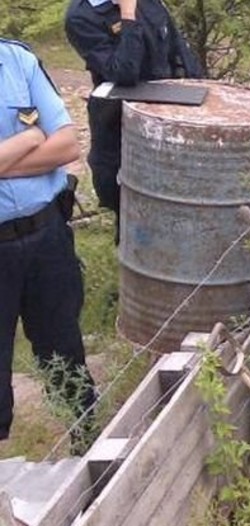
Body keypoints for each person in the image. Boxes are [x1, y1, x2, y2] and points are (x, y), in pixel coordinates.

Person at [0, 38, 97, 454]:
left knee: (64, 354)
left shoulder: (18, 60)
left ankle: (90, 454)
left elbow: (67, 145)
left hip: (46, 238)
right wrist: (27, 140)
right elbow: (45, 140)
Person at [65, 0, 205, 242]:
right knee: (128, 201)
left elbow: (177, 50)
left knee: (180, 196)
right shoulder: (81, 17)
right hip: (119, 122)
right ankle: (134, 264)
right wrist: (128, 15)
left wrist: (198, 91)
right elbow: (124, 73)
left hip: (171, 115)